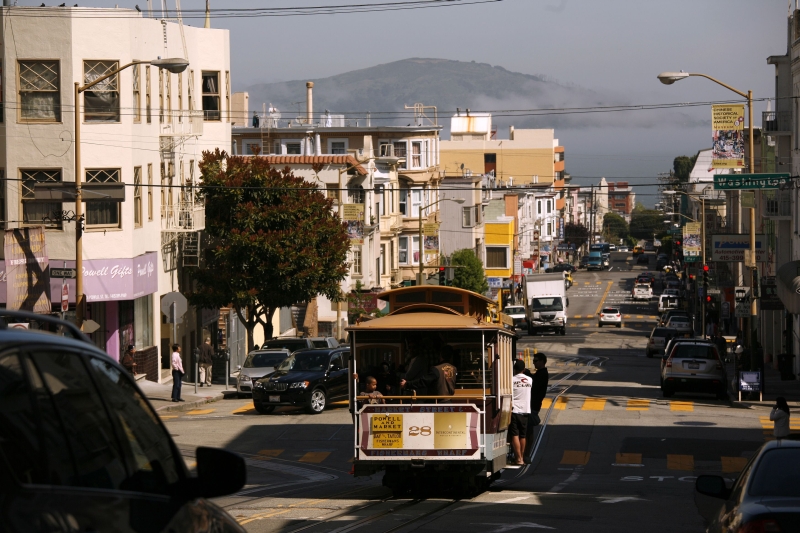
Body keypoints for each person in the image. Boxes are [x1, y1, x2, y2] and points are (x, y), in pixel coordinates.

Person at [524, 353, 549, 460]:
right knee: (528, 429)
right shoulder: (540, 373)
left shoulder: (542, 373)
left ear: (542, 361)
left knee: (528, 429)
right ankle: (526, 453)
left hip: (533, 405)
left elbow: (534, 385)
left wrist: (528, 374)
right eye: (533, 361)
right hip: (533, 404)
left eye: (536, 361)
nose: (534, 363)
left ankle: (526, 453)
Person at [509, 359, 532, 465]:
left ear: (514, 369)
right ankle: (522, 457)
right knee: (523, 435)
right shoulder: (530, 380)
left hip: (514, 410)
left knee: (515, 434)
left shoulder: (511, 380)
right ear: (523, 369)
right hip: (525, 411)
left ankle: (518, 459)